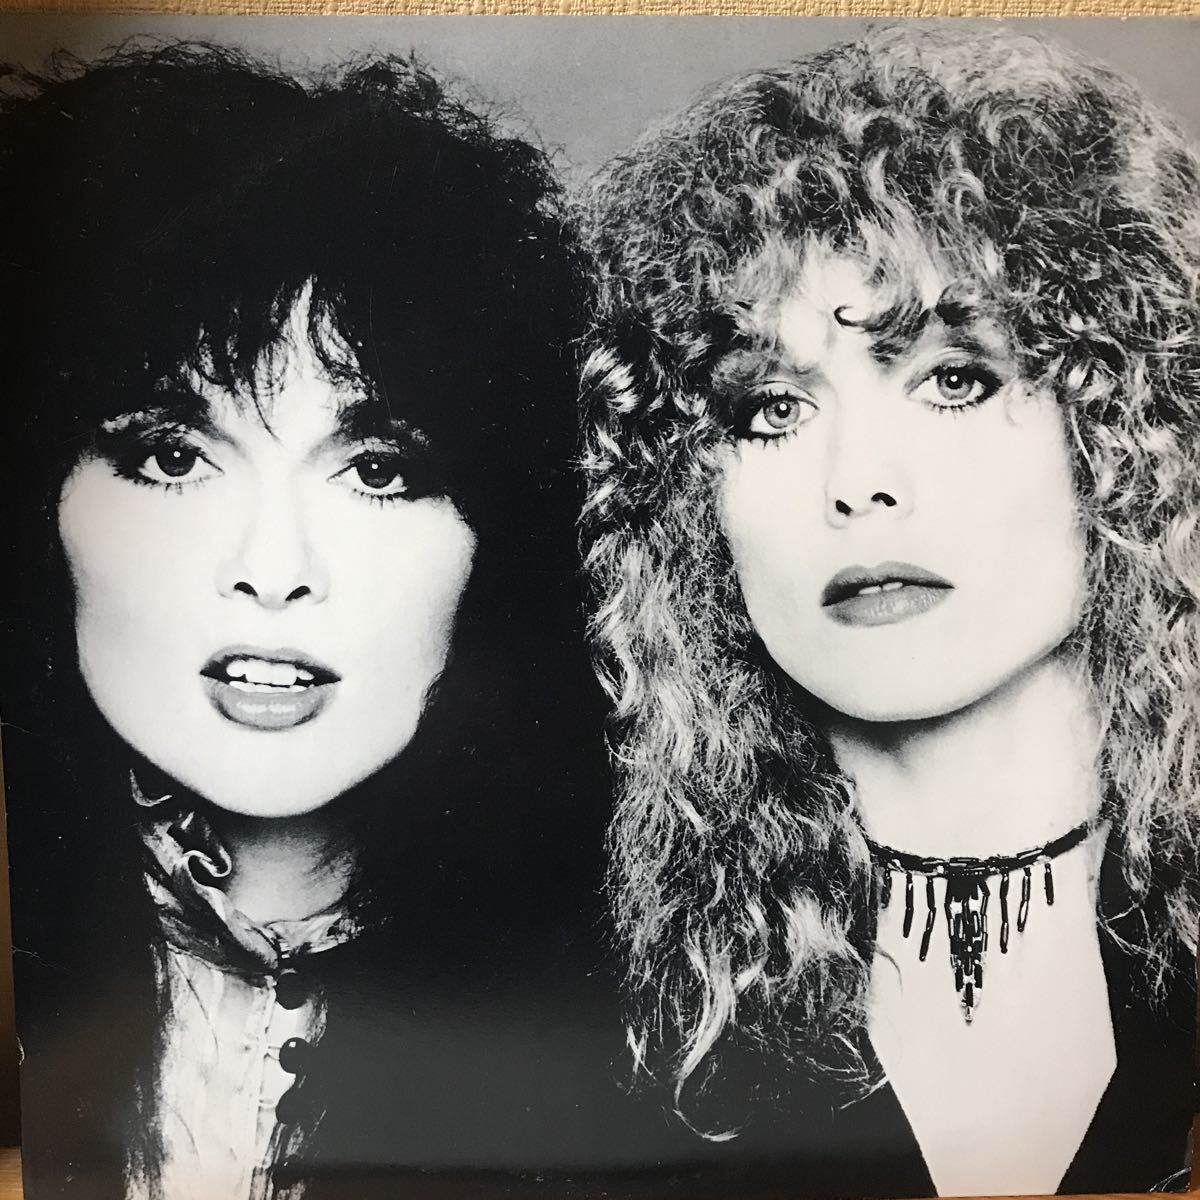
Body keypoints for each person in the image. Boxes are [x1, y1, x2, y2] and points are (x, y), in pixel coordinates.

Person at [580, 26, 1200, 1197]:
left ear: (1120, 437)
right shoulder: (576, 995)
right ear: (691, 502)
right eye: (772, 408)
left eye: (953, 380)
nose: (858, 482)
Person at [0, 43, 605, 1199]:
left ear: (501, 537)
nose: (272, 572)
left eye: (378, 470)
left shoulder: (672, 1007)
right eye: (172, 456)